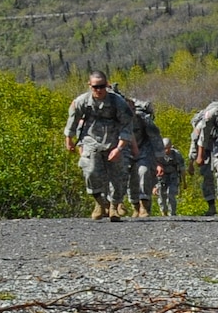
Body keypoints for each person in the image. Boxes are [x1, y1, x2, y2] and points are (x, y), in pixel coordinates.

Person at [62, 72, 139, 221]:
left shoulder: (118, 102)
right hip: (91, 140)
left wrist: (119, 148)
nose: (99, 90)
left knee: (118, 177)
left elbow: (127, 126)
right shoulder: (82, 101)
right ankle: (99, 202)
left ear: (106, 85)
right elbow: (73, 119)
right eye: (96, 87)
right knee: (90, 171)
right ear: (90, 86)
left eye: (102, 86)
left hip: (114, 141)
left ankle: (114, 207)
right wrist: (69, 139)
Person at [129, 99, 167, 220]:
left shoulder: (143, 119)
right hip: (125, 151)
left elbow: (156, 139)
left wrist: (159, 162)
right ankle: (135, 205)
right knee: (129, 178)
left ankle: (144, 204)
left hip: (144, 150)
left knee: (143, 172)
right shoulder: (115, 119)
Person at [154, 137, 183, 217]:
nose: (166, 151)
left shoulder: (176, 155)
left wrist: (184, 182)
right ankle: (163, 212)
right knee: (161, 195)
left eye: (168, 148)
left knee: (171, 194)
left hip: (173, 176)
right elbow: (153, 169)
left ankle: (172, 213)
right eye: (164, 148)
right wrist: (154, 186)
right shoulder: (157, 155)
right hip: (161, 177)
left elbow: (182, 169)